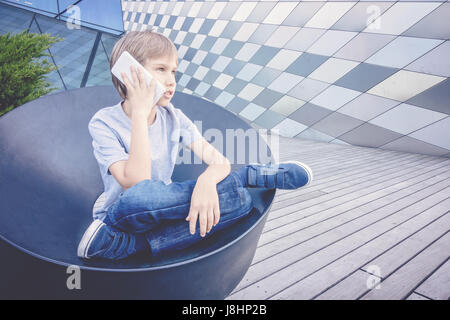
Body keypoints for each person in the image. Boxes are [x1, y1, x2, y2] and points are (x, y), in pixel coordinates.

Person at [77, 30, 313, 260]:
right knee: (146, 197)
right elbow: (137, 184)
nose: (171, 81)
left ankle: (130, 246)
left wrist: (206, 182)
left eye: (174, 72)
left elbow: (219, 162)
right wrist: (140, 111)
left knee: (241, 205)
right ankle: (246, 177)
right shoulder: (103, 122)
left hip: (167, 209)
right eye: (161, 69)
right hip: (123, 215)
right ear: (129, 73)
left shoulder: (173, 116)